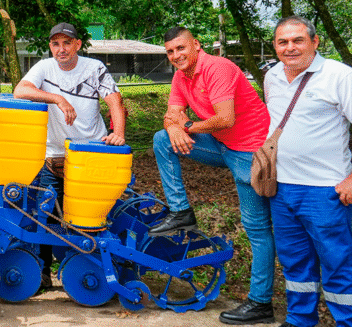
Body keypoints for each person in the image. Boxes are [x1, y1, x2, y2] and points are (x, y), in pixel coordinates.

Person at [149, 26, 275, 325]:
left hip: (251, 152)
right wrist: (173, 127)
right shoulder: (181, 76)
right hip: (221, 146)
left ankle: (261, 302)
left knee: (257, 229)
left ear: (196, 45)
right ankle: (181, 212)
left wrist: (185, 126)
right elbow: (171, 115)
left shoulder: (217, 67)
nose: (176, 55)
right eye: (170, 51)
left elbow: (225, 118)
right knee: (163, 140)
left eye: (181, 48)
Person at [13, 22, 126, 287]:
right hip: (54, 156)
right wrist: (58, 98)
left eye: (67, 43)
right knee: (46, 215)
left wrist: (118, 133)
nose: (61, 49)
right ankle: (42, 273)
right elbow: (20, 91)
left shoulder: (94, 67)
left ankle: (89, 270)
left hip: (90, 155)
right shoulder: (44, 68)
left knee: (90, 217)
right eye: (55, 44)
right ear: (50, 46)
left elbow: (115, 101)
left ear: (77, 45)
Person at [264, 16, 352, 327]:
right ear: (275, 46)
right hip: (281, 187)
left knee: (338, 262)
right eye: (283, 42)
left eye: (297, 40)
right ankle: (300, 319)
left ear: (314, 42)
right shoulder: (272, 76)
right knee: (294, 261)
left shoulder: (339, 76)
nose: (290, 47)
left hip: (326, 189)